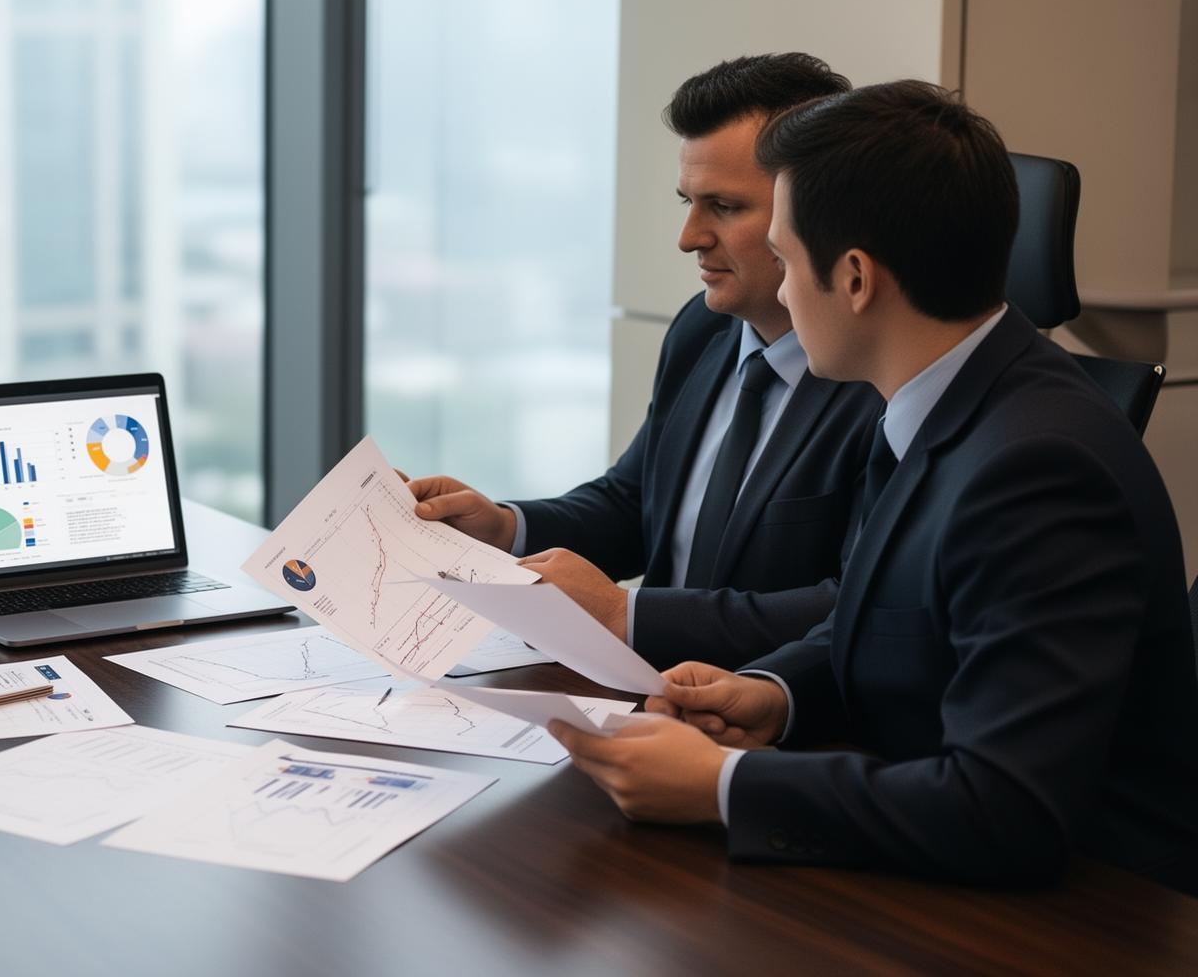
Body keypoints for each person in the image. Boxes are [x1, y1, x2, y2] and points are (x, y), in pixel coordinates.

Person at [549, 80, 1198, 895]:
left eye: (784, 260)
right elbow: (894, 620)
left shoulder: (1037, 469)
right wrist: (773, 693)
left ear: (855, 278)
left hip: (1090, 911)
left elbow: (1008, 811)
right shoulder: (946, 400)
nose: (779, 291)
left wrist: (720, 787)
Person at [408, 53, 882, 668]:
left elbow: (859, 609)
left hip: (782, 719)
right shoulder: (702, 328)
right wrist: (504, 529)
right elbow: (634, 505)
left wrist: (625, 615)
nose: (689, 236)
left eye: (726, 207)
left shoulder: (879, 379)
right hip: (649, 700)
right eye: (687, 201)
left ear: (812, 209)